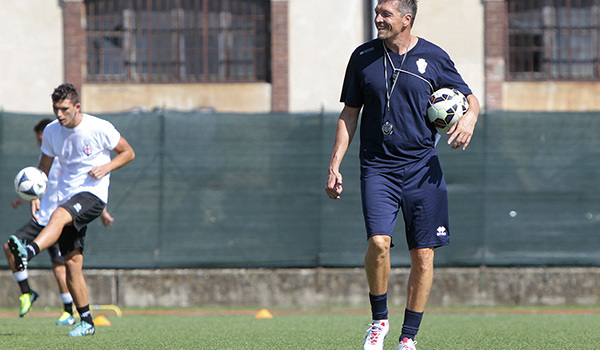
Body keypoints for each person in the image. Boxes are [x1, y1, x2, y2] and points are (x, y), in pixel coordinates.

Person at [324, 1, 480, 349]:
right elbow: (349, 115)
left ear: (407, 19)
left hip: (422, 169)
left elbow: (471, 99)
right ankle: (379, 322)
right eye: (376, 12)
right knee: (378, 243)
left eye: (385, 14)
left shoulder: (435, 57)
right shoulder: (362, 56)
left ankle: (408, 338)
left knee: (423, 255)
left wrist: (469, 118)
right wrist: (335, 164)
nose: (377, 19)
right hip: (378, 167)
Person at [7, 83, 135, 337]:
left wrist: (105, 168)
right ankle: (86, 321)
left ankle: (28, 251)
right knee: (72, 263)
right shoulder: (53, 131)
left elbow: (128, 152)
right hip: (66, 198)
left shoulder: (99, 127)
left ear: (77, 107)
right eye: (56, 109)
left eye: (65, 109)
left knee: (58, 216)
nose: (60, 114)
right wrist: (36, 195)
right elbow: (43, 169)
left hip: (93, 195)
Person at [4, 119, 116, 324]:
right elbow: (37, 187)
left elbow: (87, 189)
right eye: (39, 140)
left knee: (62, 267)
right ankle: (28, 292)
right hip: (42, 219)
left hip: (63, 216)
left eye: (42, 139)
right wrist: (27, 198)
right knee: (13, 248)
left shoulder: (67, 156)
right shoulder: (44, 160)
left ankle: (68, 311)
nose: (41, 143)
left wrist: (102, 211)